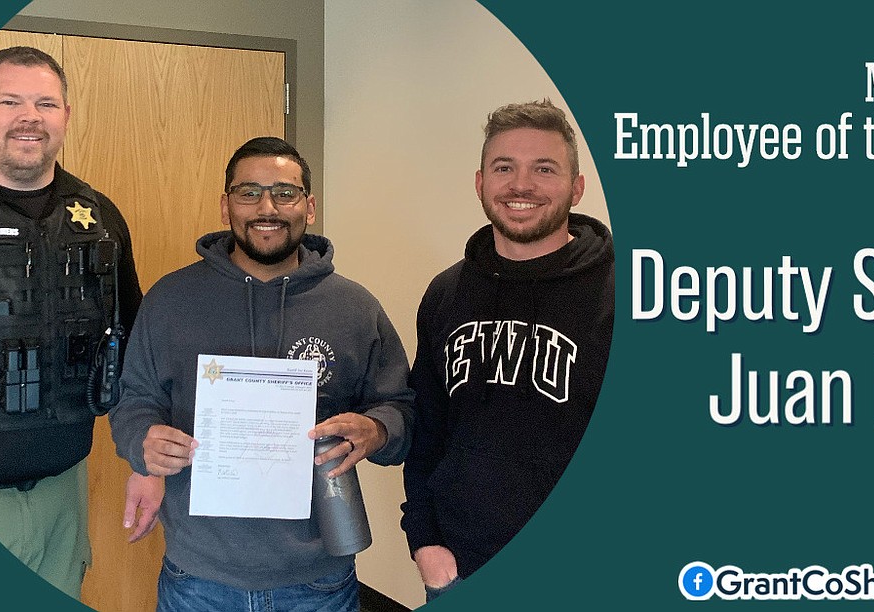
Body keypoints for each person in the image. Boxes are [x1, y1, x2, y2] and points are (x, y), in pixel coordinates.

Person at [108, 136, 414, 611]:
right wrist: (140, 441)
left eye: (285, 193)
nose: (266, 207)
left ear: (309, 207)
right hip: (198, 577)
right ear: (226, 204)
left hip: (318, 581)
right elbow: (134, 400)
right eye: (248, 192)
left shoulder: (355, 308)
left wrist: (376, 430)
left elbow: (402, 410)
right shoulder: (171, 300)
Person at [0, 46, 146, 597]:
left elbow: (136, 346)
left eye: (47, 102)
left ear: (65, 116)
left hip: (62, 493)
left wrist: (147, 458)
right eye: (11, 100)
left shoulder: (98, 215)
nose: (30, 116)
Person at [400, 99, 615, 600]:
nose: (522, 186)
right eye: (505, 168)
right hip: (461, 570)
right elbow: (428, 427)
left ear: (576, 187)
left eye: (544, 169)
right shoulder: (446, 293)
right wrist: (424, 541)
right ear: (480, 183)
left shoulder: (625, 295)